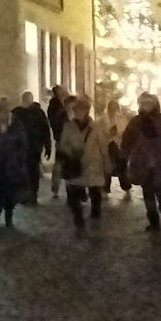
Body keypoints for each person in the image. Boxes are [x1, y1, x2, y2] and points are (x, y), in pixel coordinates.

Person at [121, 92, 161, 233]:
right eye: (143, 103)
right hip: (142, 163)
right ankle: (154, 221)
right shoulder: (135, 122)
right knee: (148, 194)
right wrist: (123, 157)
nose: (146, 106)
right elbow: (127, 141)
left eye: (148, 103)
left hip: (160, 163)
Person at [57, 95, 110, 231]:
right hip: (75, 163)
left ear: (86, 111)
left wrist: (107, 161)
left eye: (80, 110)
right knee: (73, 192)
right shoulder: (68, 126)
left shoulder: (95, 127)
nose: (77, 112)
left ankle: (96, 215)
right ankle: (78, 217)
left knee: (94, 190)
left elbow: (103, 145)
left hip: (93, 163)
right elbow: (63, 144)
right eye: (76, 110)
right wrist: (71, 151)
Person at [0, 101, 31, 228]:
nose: (2, 116)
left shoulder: (16, 126)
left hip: (12, 165)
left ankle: (8, 216)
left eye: (5, 113)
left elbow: (23, 143)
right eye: (0, 113)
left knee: (10, 193)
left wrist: (18, 158)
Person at [14, 91, 52, 203]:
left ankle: (32, 195)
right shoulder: (17, 112)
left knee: (32, 172)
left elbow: (45, 129)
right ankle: (26, 195)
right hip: (22, 148)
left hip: (34, 147)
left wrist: (47, 145)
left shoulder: (37, 113)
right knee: (24, 172)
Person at [104, 97, 133, 198]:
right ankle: (105, 188)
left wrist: (118, 133)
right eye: (111, 107)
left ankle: (126, 187)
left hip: (118, 145)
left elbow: (125, 131)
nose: (112, 110)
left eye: (114, 107)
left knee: (121, 168)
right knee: (107, 167)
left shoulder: (121, 118)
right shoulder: (103, 119)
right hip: (107, 144)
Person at [46, 86, 70, 196]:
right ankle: (56, 187)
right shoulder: (57, 106)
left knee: (60, 164)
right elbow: (58, 122)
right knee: (61, 164)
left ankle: (56, 188)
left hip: (60, 138)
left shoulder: (57, 105)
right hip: (62, 138)